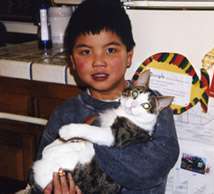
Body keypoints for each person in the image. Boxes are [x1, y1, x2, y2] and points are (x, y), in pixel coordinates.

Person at [30, 0, 179, 193]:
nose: (98, 61)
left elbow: (149, 171)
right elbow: (37, 176)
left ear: (129, 56)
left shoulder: (152, 106)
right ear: (73, 61)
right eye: (85, 51)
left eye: (110, 50)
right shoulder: (65, 113)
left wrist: (91, 134)